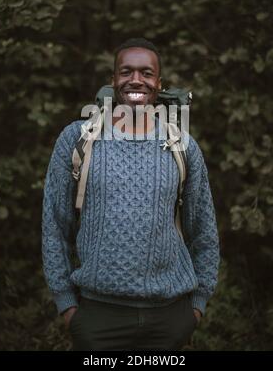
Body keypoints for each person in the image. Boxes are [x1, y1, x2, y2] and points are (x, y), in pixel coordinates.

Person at [42, 37, 220, 351]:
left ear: (158, 83)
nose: (136, 79)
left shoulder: (181, 146)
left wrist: (196, 307)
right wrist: (67, 305)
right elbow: (54, 225)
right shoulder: (78, 139)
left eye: (146, 73)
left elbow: (203, 230)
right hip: (97, 316)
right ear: (113, 81)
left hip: (170, 316)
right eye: (126, 72)